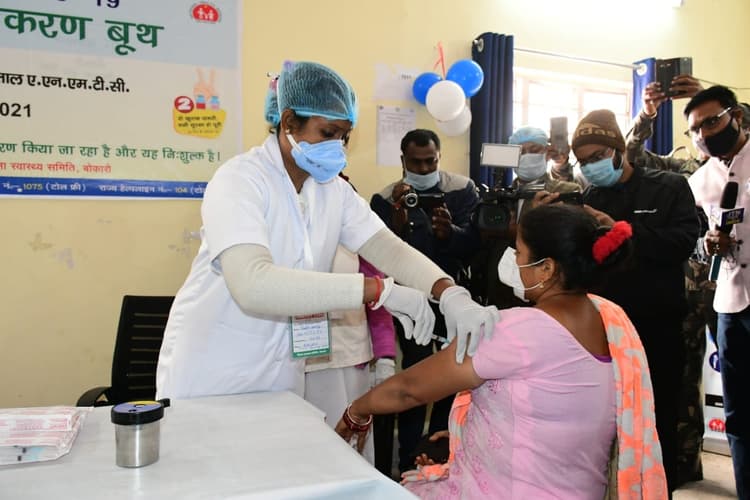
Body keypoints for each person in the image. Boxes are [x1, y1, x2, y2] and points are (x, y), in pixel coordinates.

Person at [155, 61, 499, 402]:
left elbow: (386, 246)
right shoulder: (240, 180)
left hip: (281, 373)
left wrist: (449, 292)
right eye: (328, 133)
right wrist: (380, 290)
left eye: (344, 136)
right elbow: (252, 284)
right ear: (288, 122)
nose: (338, 146)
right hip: (213, 370)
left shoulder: (331, 190)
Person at [335, 204, 668, 499]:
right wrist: (466, 435)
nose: (513, 261)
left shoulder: (521, 330)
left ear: (547, 268)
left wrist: (357, 410)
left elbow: (409, 390)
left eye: (519, 252)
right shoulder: (610, 319)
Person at [571, 109, 699, 494]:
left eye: (597, 157)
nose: (590, 167)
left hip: (657, 326)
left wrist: (622, 231)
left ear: (618, 149)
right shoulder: (589, 198)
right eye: (583, 161)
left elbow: (682, 242)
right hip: (604, 331)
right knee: (606, 425)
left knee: (657, 422)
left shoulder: (669, 187)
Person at [370, 128, 481, 473]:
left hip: (454, 296)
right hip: (411, 304)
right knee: (416, 376)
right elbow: (381, 254)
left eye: (430, 161)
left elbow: (475, 246)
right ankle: (408, 458)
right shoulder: (385, 199)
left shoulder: (462, 189)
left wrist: (450, 234)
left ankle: (443, 450)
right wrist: (399, 221)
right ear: (403, 161)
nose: (423, 169)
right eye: (415, 163)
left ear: (439, 157)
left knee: (453, 375)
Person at [685, 85, 750, 499]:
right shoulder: (699, 180)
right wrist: (707, 243)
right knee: (739, 413)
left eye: (711, 122)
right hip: (729, 303)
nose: (704, 134)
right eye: (695, 130)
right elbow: (691, 240)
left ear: (736, 117)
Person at [508, 126, 581, 221]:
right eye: (520, 152)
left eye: (534, 150)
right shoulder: (504, 196)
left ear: (548, 153)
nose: (527, 156)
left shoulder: (567, 191)